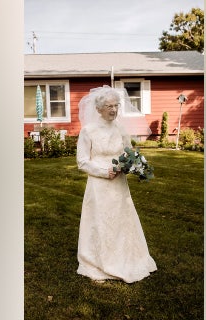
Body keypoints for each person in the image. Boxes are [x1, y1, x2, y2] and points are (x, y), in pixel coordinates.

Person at [75, 86, 157, 283]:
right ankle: (99, 261)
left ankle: (127, 257)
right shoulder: (88, 131)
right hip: (99, 184)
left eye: (116, 105)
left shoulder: (120, 128)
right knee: (101, 220)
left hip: (119, 182)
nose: (113, 110)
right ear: (98, 109)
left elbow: (127, 152)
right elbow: (82, 162)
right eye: (109, 106)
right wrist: (104, 172)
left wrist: (132, 165)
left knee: (122, 218)